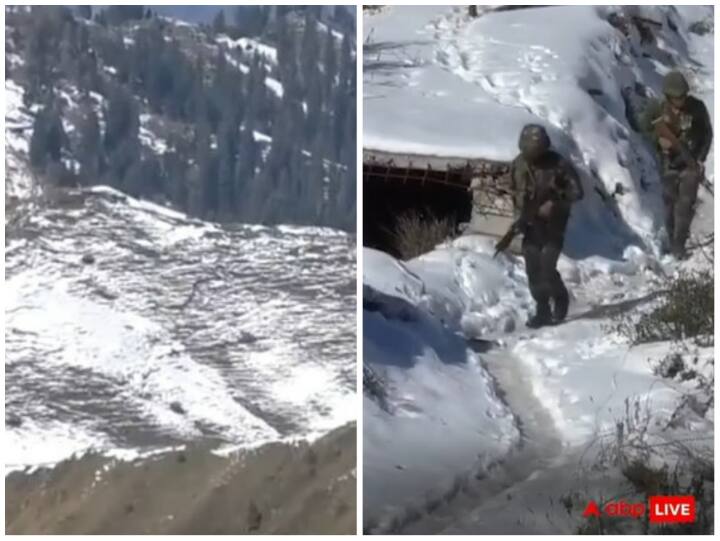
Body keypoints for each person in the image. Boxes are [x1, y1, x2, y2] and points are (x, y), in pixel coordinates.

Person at [509, 124, 584, 328]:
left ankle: (560, 298)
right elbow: (515, 193)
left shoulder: (558, 164)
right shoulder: (517, 165)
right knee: (533, 267)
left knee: (547, 265)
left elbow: (577, 192)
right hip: (531, 223)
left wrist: (556, 200)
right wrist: (521, 218)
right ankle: (542, 309)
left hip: (554, 223)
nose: (534, 156)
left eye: (538, 151)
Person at [641, 71, 713, 259]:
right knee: (669, 204)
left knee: (685, 204)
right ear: (668, 97)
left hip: (690, 161)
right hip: (668, 163)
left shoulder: (696, 108)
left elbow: (707, 134)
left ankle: (679, 244)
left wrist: (700, 157)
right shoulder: (657, 108)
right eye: (677, 97)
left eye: (683, 96)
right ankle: (672, 239)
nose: (681, 100)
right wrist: (658, 140)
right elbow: (643, 126)